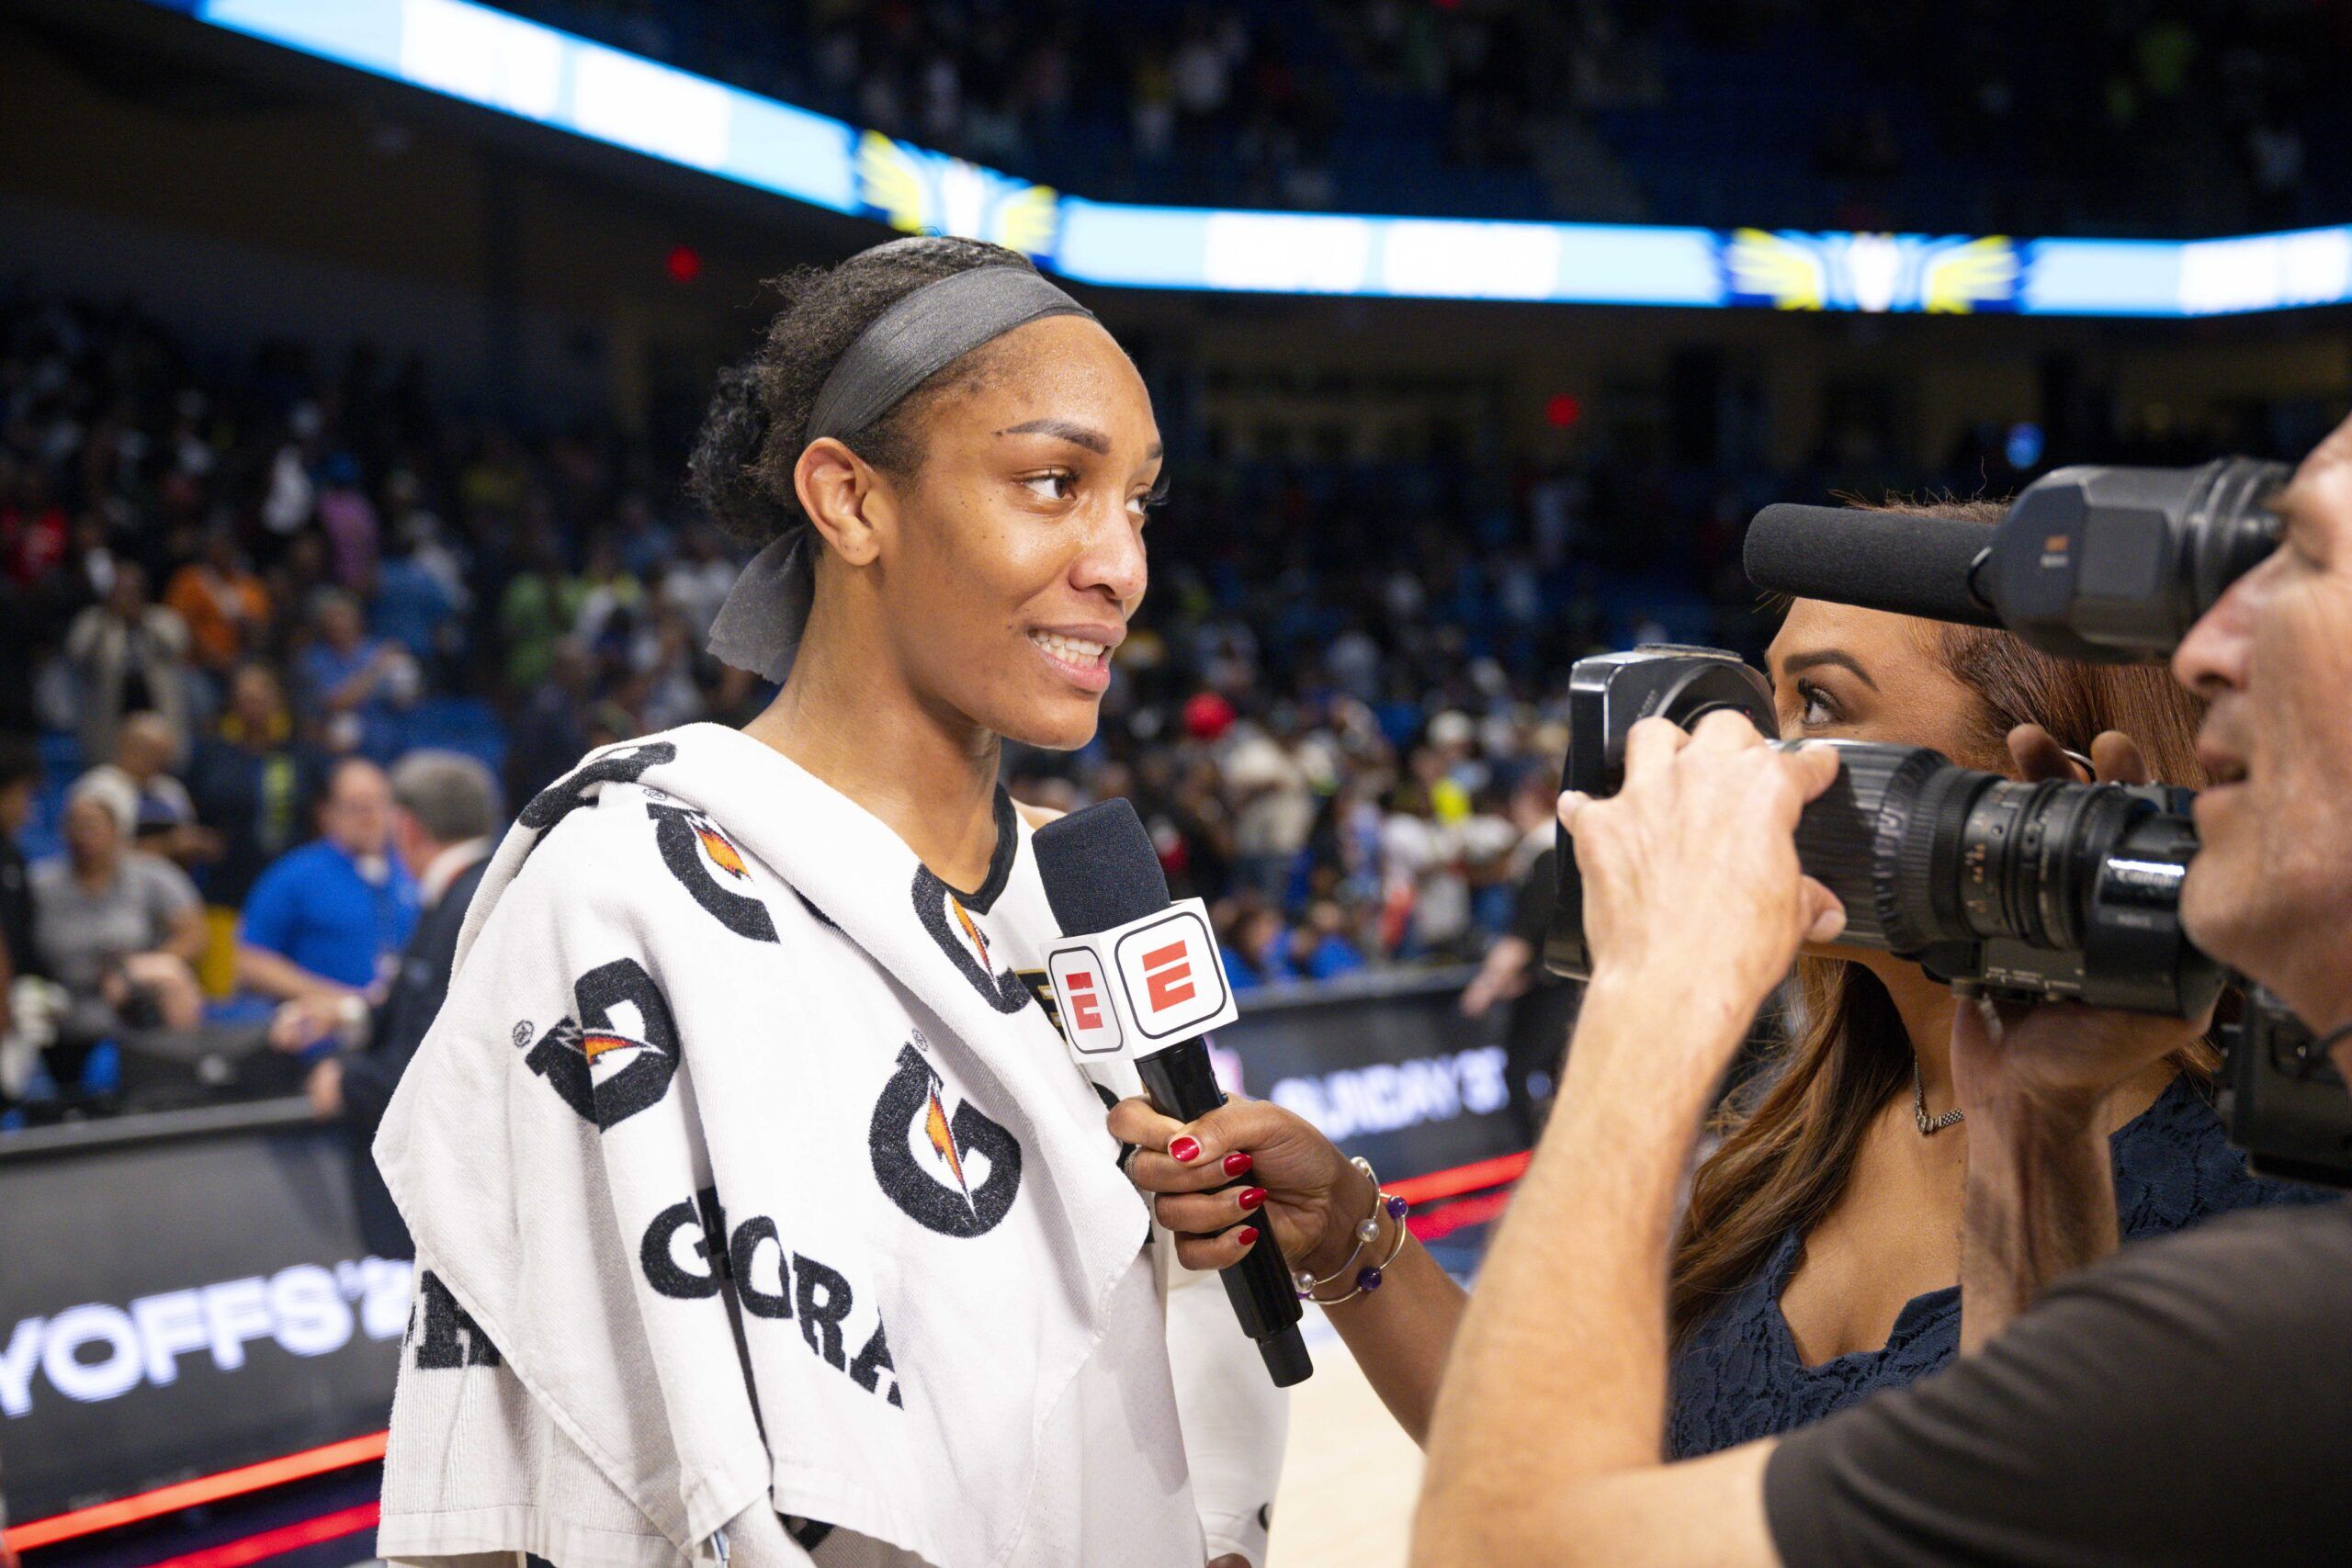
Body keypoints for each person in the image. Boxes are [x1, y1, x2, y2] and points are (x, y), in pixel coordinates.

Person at [1156, 417, 2352, 1564]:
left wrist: (1655, 984)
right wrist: (1358, 1241)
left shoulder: (2255, 1216)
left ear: (2037, 774)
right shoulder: (1795, 1129)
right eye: (1761, 703)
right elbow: (1599, 1476)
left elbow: (1518, 1541)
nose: (1733, 765)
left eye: (1819, 707)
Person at [371, 237, 1283, 1568]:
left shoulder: (1084, 901)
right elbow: (495, 1469)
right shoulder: (621, 888)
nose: (1121, 565)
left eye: (1138, 502)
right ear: (850, 500)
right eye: (1053, 483)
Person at [273, 750, 501, 1260]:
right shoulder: (480, 889)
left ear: (408, 827)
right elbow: (421, 1002)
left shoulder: (461, 907)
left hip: (458, 1194)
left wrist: (346, 1079)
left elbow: (433, 1059)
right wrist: (349, 1013)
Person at [30, 773, 206, 1047]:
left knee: (173, 979)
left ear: (116, 830)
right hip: (60, 1006)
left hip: (134, 1003)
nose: (82, 836)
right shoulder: (40, 884)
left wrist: (140, 969)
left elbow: (194, 933)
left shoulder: (150, 874)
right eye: (74, 826)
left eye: (91, 826)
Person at [235, 756, 419, 1005]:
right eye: (356, 807)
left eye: (378, 804)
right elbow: (250, 962)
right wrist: (345, 1002)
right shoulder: (295, 875)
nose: (370, 817)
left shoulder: (412, 870)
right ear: (327, 813)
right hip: (321, 1031)